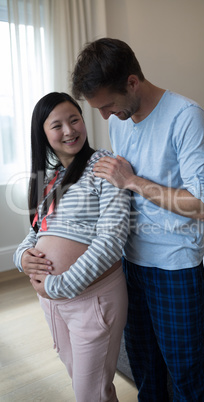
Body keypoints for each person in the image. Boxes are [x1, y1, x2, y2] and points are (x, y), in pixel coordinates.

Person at [71, 38, 204, 402]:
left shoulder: (186, 117)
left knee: (186, 375)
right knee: (144, 370)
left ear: (132, 82)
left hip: (174, 267)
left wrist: (133, 181)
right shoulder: (120, 121)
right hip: (128, 264)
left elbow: (201, 205)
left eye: (107, 106)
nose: (104, 117)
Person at [13, 92, 131, 402]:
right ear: (43, 134)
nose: (69, 130)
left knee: (89, 393)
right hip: (53, 302)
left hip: (91, 297)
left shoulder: (106, 166)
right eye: (57, 125)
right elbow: (35, 232)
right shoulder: (52, 179)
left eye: (74, 119)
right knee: (85, 384)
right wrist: (22, 257)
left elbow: (112, 240)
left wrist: (60, 285)